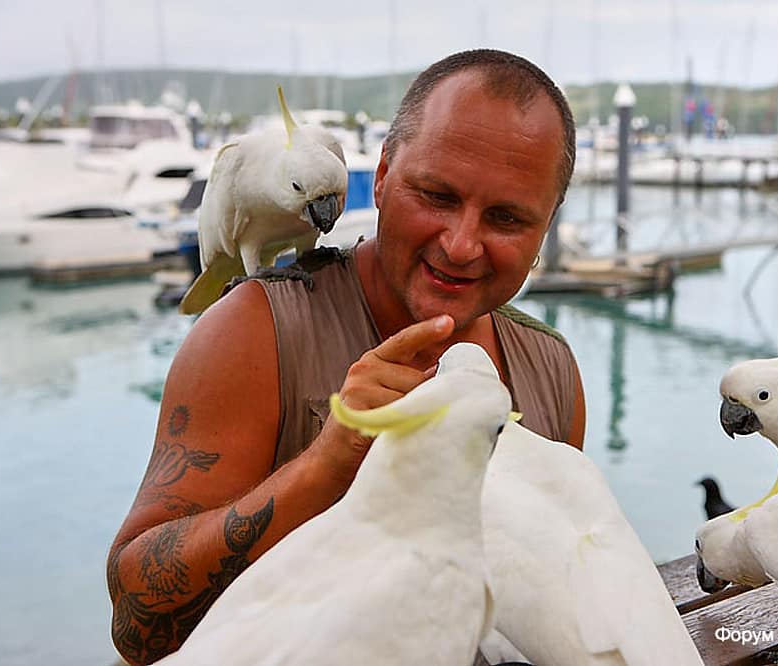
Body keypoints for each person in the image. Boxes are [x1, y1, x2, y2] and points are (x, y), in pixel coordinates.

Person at [107, 48, 586, 665]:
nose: (461, 245)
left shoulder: (550, 370)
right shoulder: (254, 331)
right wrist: (326, 464)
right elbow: (137, 624)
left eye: (507, 218)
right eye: (436, 196)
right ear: (381, 176)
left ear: (545, 227)